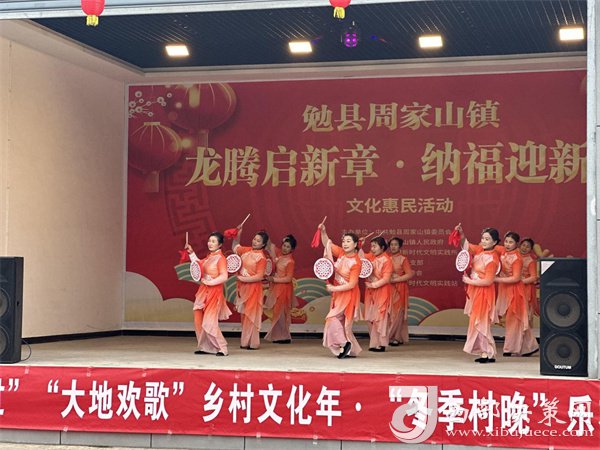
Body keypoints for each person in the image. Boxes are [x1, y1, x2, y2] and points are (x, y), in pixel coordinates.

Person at [455, 224, 500, 363]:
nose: (484, 241)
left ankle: (488, 352)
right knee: (476, 321)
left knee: (481, 321)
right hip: (475, 291)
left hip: (484, 293)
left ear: (495, 242)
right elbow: (466, 246)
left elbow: (488, 281)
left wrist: (470, 281)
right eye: (483, 238)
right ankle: (483, 351)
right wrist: (461, 234)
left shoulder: (493, 259)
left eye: (487, 239)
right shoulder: (480, 250)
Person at [318, 223, 363, 359]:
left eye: (348, 241)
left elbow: (352, 284)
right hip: (338, 293)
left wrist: (334, 288)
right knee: (341, 323)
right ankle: (350, 350)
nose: (345, 243)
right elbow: (327, 244)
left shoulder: (356, 262)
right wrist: (323, 231)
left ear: (355, 244)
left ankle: (344, 344)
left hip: (348, 295)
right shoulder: (342, 253)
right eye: (344, 241)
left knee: (332, 318)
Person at [185, 232, 231, 356]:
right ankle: (206, 346)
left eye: (213, 241)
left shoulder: (221, 258)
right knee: (198, 317)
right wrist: (191, 253)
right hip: (203, 291)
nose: (210, 243)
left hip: (214, 293)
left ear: (220, 244)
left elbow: (224, 276)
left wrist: (211, 282)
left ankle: (222, 348)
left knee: (209, 321)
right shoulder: (209, 257)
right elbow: (199, 265)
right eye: (209, 241)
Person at [495, 231, 539, 357]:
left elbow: (533, 277)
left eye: (511, 242)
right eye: (506, 241)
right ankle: (529, 347)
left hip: (520, 290)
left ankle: (510, 348)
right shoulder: (504, 252)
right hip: (506, 288)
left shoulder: (525, 260)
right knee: (517, 319)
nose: (507, 244)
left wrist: (519, 281)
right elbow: (485, 247)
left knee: (517, 318)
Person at [232, 226, 268, 350]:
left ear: (263, 244)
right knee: (244, 315)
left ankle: (251, 342)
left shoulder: (262, 258)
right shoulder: (246, 250)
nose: (255, 242)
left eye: (258, 241)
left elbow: (259, 276)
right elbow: (235, 246)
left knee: (250, 315)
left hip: (253, 289)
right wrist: (238, 233)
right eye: (254, 239)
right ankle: (245, 341)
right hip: (242, 288)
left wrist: (243, 278)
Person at [361, 236, 393, 352]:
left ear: (382, 247)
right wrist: (360, 245)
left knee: (380, 318)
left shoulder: (387, 260)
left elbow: (386, 279)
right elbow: (360, 257)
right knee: (370, 318)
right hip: (370, 292)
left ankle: (381, 343)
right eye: (371, 246)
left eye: (375, 246)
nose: (372, 249)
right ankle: (374, 343)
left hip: (382, 291)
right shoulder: (371, 256)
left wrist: (373, 285)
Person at [264, 234, 297, 344]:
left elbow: (288, 278)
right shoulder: (279, 255)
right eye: (284, 245)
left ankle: (285, 336)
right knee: (277, 312)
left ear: (292, 249)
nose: (285, 248)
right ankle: (279, 336)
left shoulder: (290, 261)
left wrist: (273, 279)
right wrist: (264, 234)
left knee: (282, 312)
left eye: (288, 247)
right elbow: (270, 245)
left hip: (284, 289)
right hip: (277, 287)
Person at [388, 237, 414, 346]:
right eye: (391, 244)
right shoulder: (387, 258)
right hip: (389, 288)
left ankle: (396, 337)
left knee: (398, 313)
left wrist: (396, 279)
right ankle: (391, 336)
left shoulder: (403, 259)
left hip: (400, 288)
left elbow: (409, 274)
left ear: (400, 246)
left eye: (395, 244)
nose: (393, 247)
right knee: (390, 313)